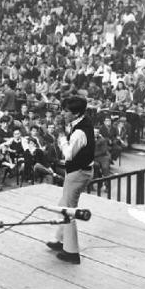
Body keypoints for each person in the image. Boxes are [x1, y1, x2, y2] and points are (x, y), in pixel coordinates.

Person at [46, 96, 94, 264]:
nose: (63, 113)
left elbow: (68, 155)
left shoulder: (80, 133)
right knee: (63, 205)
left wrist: (60, 136)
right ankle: (60, 240)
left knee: (69, 210)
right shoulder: (83, 122)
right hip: (80, 171)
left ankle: (72, 252)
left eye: (66, 111)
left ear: (76, 113)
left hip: (78, 173)